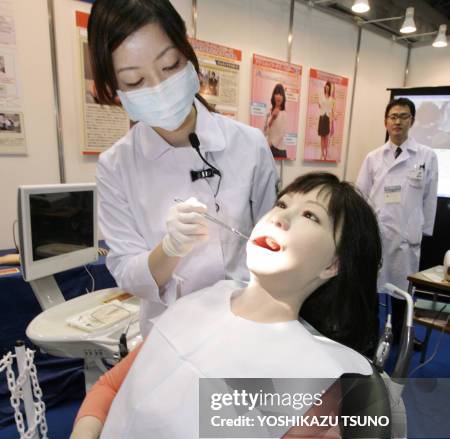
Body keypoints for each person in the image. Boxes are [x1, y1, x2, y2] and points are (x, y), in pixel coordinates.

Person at [0, 172, 382, 439]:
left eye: (310, 215)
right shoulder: (202, 303)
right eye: (282, 206)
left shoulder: (306, 384)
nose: (282, 218)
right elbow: (111, 385)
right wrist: (84, 438)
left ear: (332, 265)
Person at [88, 0, 278, 336]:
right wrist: (169, 249)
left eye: (170, 65)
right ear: (116, 90)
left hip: (247, 328)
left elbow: (274, 243)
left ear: (187, 55)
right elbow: (127, 272)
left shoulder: (249, 145)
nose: (158, 88)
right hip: (168, 336)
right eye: (134, 81)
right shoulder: (117, 165)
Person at [356, 97, 438, 344]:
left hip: (405, 236)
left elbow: (429, 197)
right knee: (372, 289)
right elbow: (361, 194)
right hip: (378, 234)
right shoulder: (373, 157)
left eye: (403, 116)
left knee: (403, 293)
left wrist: (422, 231)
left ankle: (404, 337)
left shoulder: (426, 156)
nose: (397, 122)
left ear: (411, 121)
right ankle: (371, 335)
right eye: (393, 116)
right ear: (385, 121)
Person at [264, 83, 288, 159]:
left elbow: (282, 134)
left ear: (283, 98)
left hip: (279, 150)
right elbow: (265, 132)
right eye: (277, 93)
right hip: (268, 148)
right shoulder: (268, 112)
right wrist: (272, 118)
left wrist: (271, 144)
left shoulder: (284, 114)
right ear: (273, 96)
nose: (279, 96)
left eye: (281, 94)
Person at [317, 81, 335, 161]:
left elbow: (331, 110)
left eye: (328, 86)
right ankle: (322, 153)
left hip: (327, 118)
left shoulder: (331, 99)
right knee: (322, 137)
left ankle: (326, 153)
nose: (327, 87)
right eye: (326, 86)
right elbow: (319, 105)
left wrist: (331, 120)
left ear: (330, 88)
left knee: (326, 137)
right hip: (322, 117)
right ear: (325, 87)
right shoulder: (321, 96)